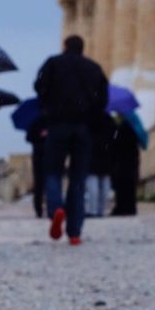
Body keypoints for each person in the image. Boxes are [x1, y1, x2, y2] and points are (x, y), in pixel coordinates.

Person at [34, 35, 108, 246]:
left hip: (58, 125)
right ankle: (74, 232)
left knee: (52, 172)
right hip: (83, 129)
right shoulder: (94, 68)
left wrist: (49, 106)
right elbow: (103, 100)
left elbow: (39, 87)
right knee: (78, 178)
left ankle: (56, 207)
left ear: (65, 47)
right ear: (82, 49)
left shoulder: (53, 63)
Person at [109, 111, 143, 216]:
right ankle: (130, 208)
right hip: (131, 162)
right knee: (129, 186)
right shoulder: (132, 127)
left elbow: (117, 146)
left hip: (123, 163)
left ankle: (122, 208)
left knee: (122, 186)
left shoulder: (122, 128)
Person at [85, 110, 114, 219]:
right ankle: (101, 210)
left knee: (93, 183)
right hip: (106, 154)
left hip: (92, 154)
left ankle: (93, 210)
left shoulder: (88, 118)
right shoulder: (109, 120)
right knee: (105, 182)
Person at [24, 115, 48, 219]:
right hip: (39, 156)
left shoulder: (53, 122)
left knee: (47, 183)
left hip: (49, 155)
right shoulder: (35, 122)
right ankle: (39, 209)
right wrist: (40, 135)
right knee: (39, 184)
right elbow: (28, 137)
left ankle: (50, 207)